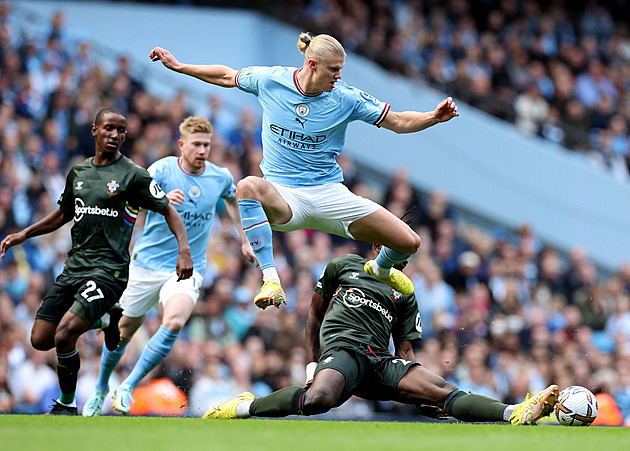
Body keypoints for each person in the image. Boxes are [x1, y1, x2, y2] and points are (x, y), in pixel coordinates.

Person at [149, 31, 459, 310]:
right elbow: (227, 76)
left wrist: (433, 117)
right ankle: (271, 279)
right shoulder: (271, 80)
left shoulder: (346, 98)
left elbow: (398, 122)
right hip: (284, 197)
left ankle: (379, 269)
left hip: (329, 193)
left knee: (409, 242)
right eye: (333, 69)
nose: (339, 76)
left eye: (341, 69)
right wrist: (180, 67)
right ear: (311, 64)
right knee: (246, 185)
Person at [201, 243, 559, 425]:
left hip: (379, 361)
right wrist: (312, 365)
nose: (402, 263)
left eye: (407, 258)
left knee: (442, 390)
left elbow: (404, 350)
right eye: (398, 254)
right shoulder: (343, 266)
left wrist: (416, 387)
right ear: (378, 246)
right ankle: (240, 407)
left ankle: (515, 411)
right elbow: (314, 315)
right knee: (317, 401)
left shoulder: (404, 289)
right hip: (343, 350)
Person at [0, 107, 193, 415]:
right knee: (40, 340)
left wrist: (184, 250)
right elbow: (64, 213)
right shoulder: (79, 172)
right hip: (74, 268)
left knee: (65, 334)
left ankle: (66, 403)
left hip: (110, 271)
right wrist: (25, 233)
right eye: (108, 129)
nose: (114, 135)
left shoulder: (133, 175)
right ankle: (106, 318)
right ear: (95, 130)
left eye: (120, 130)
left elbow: (168, 209)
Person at [81, 116, 255, 416]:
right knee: (122, 333)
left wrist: (244, 237)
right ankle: (100, 388)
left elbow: (233, 199)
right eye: (196, 144)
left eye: (207, 145)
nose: (202, 150)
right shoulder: (161, 170)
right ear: (181, 145)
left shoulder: (220, 176)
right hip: (146, 265)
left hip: (187, 267)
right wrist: (158, 199)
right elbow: (129, 199)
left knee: (174, 321)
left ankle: (128, 386)